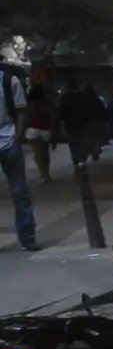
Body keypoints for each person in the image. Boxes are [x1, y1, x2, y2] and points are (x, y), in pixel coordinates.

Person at [0, 62, 39, 251]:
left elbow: (21, 111)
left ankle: (27, 235)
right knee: (19, 190)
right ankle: (27, 236)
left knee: (19, 190)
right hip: (10, 140)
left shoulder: (9, 81)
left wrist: (17, 136)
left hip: (8, 140)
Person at [58, 78, 107, 166]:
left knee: (73, 141)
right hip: (83, 123)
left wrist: (61, 121)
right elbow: (89, 109)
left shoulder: (65, 98)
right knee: (82, 140)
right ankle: (82, 158)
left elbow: (61, 111)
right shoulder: (83, 96)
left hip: (70, 124)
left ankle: (76, 158)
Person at [22, 84, 53, 183]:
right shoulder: (46, 102)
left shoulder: (28, 103)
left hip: (32, 129)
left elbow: (24, 117)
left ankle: (42, 174)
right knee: (45, 152)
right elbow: (52, 115)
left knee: (37, 153)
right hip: (45, 128)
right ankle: (47, 173)